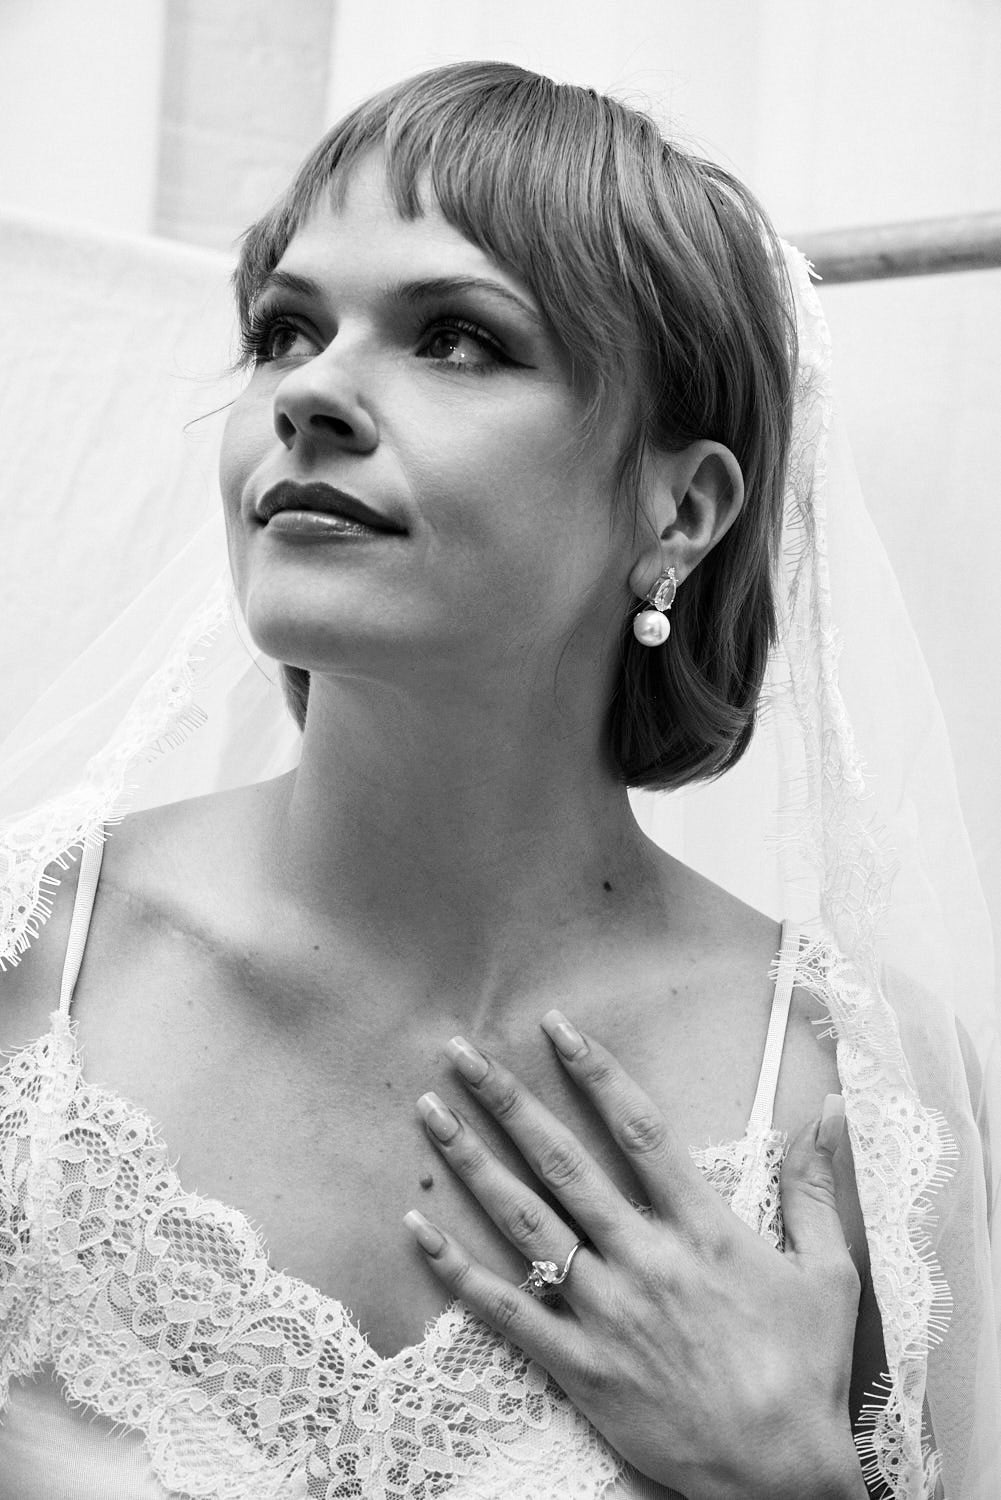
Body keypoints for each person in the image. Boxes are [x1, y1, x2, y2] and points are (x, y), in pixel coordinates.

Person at [0, 61, 996, 1499]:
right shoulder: (30, 967)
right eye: (285, 330)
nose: (314, 394)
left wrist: (791, 1482)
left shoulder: (850, 1110)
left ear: (682, 505)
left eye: (456, 339)